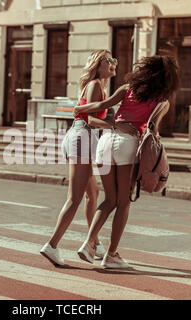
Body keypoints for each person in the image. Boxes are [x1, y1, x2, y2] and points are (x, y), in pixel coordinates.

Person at [74, 55, 180, 268]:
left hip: (106, 141)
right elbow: (153, 131)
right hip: (128, 144)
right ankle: (111, 254)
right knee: (123, 202)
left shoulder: (127, 88)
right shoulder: (162, 101)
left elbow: (103, 105)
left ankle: (88, 243)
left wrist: (79, 109)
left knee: (108, 199)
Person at [40, 50, 137, 266]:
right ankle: (52, 245)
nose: (113, 63)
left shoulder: (99, 87)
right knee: (74, 198)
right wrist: (115, 125)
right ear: (97, 65)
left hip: (83, 137)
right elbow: (91, 120)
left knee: (92, 194)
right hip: (82, 136)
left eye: (114, 60)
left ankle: (95, 242)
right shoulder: (94, 85)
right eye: (108, 60)